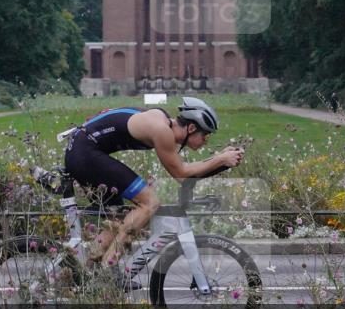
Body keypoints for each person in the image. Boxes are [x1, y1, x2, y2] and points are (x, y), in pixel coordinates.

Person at [63, 97, 242, 276]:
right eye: (205, 135)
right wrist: (219, 159)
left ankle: (83, 274)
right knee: (150, 202)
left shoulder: (162, 121)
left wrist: (220, 160)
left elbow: (187, 173)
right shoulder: (162, 131)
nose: (206, 140)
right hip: (85, 154)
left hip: (81, 150)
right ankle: (108, 271)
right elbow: (182, 175)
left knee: (116, 218)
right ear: (192, 128)